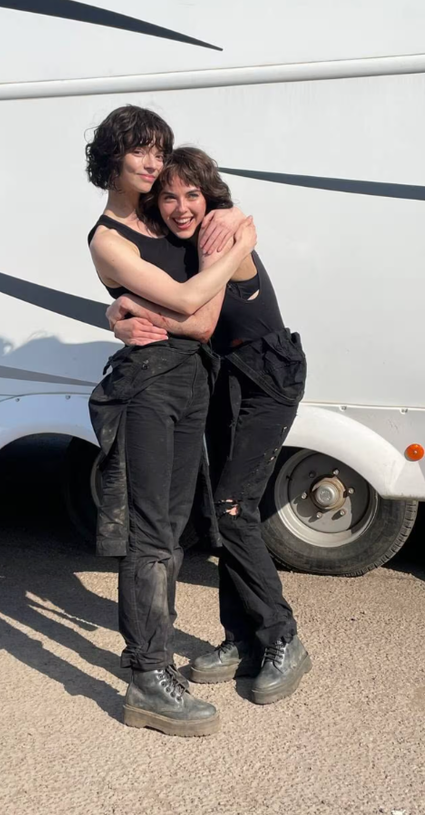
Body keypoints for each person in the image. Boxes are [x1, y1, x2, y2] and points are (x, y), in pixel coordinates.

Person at [107, 147, 311, 707]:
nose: (181, 207)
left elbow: (198, 320)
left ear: (210, 195)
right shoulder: (185, 239)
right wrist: (115, 315)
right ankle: (242, 638)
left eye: (192, 195)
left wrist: (128, 307)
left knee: (234, 509)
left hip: (266, 378)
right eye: (168, 197)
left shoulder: (220, 230)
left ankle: (283, 638)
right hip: (226, 378)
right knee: (224, 514)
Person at [85, 106, 253, 736]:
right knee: (151, 532)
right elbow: (190, 305)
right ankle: (148, 677)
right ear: (112, 158)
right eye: (140, 151)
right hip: (148, 388)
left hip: (191, 381)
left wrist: (234, 224)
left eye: (159, 151)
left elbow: (214, 211)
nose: (153, 163)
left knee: (175, 529)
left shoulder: (162, 216)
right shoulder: (108, 238)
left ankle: (150, 653)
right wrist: (240, 248)